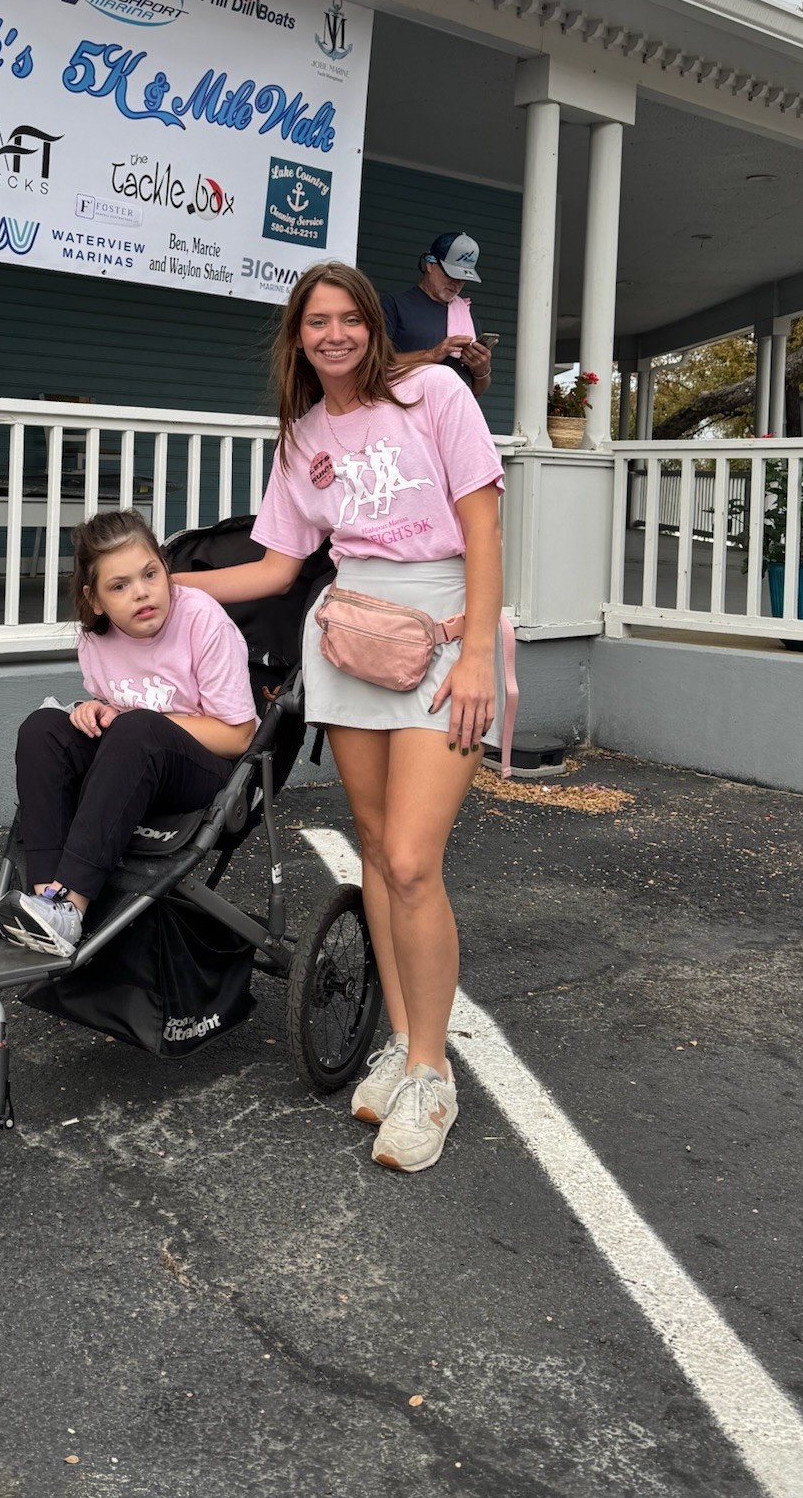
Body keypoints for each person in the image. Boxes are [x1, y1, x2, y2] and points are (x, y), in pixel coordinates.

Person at [176, 261, 504, 1173]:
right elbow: (276, 570)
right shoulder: (302, 436)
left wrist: (480, 650)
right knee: (370, 843)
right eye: (315, 321)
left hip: (442, 634)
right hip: (350, 639)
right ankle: (401, 1042)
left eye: (347, 318)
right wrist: (159, 583)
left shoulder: (434, 391)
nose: (333, 334)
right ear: (298, 337)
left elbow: (483, 527)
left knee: (410, 860)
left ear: (371, 325)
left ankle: (433, 1076)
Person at [0, 509, 257, 957]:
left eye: (150, 574)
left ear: (166, 571)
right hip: (133, 759)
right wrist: (95, 710)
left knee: (137, 729)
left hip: (202, 769)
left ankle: (71, 906)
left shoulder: (202, 620)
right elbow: (117, 708)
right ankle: (45, 899)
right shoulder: (96, 639)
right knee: (43, 729)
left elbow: (239, 736)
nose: (141, 593)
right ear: (95, 601)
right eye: (119, 586)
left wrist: (135, 717)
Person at [381, 231, 494, 402]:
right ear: (430, 264)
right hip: (407, 412)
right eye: (451, 274)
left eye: (463, 278)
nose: (456, 284)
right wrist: (432, 354)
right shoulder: (393, 304)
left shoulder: (465, 314)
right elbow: (375, 363)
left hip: (453, 414)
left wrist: (482, 370)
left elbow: (476, 390)